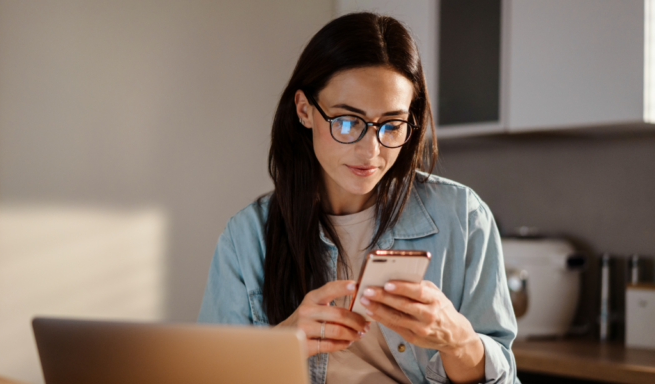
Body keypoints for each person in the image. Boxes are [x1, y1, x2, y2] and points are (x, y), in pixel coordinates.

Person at [198, 12, 519, 384]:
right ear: (305, 110)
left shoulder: (463, 217)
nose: (371, 151)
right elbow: (209, 373)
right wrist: (284, 341)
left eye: (391, 125)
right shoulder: (247, 237)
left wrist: (459, 341)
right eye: (348, 122)